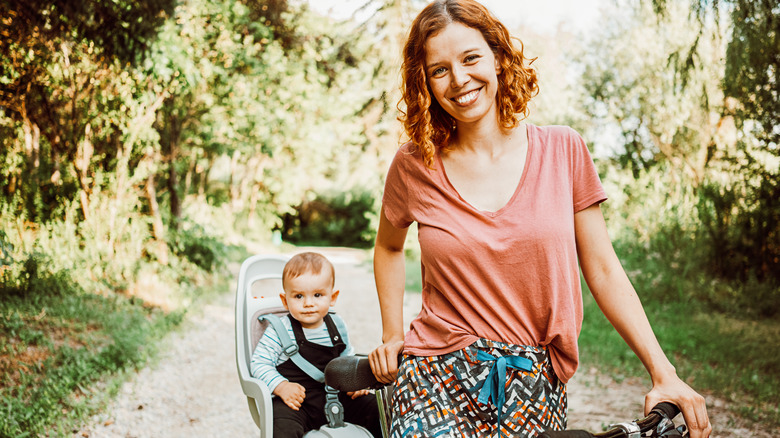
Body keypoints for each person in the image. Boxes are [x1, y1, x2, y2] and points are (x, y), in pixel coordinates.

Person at [367, 1, 712, 437]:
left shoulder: (563, 150)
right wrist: (392, 333)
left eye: (471, 58)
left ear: (497, 57)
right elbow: (388, 246)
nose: (458, 80)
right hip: (435, 373)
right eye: (439, 70)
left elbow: (603, 269)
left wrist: (662, 371)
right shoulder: (415, 164)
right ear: (426, 82)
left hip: (534, 381)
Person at [251, 252, 381, 438]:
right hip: (297, 403)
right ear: (284, 300)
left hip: (334, 397)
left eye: (318, 295)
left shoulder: (337, 325)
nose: (308, 303)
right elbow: (259, 363)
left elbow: (345, 357)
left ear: (332, 297)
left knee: (374, 406)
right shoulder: (279, 331)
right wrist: (281, 386)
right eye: (298, 296)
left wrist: (352, 382)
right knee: (282, 425)